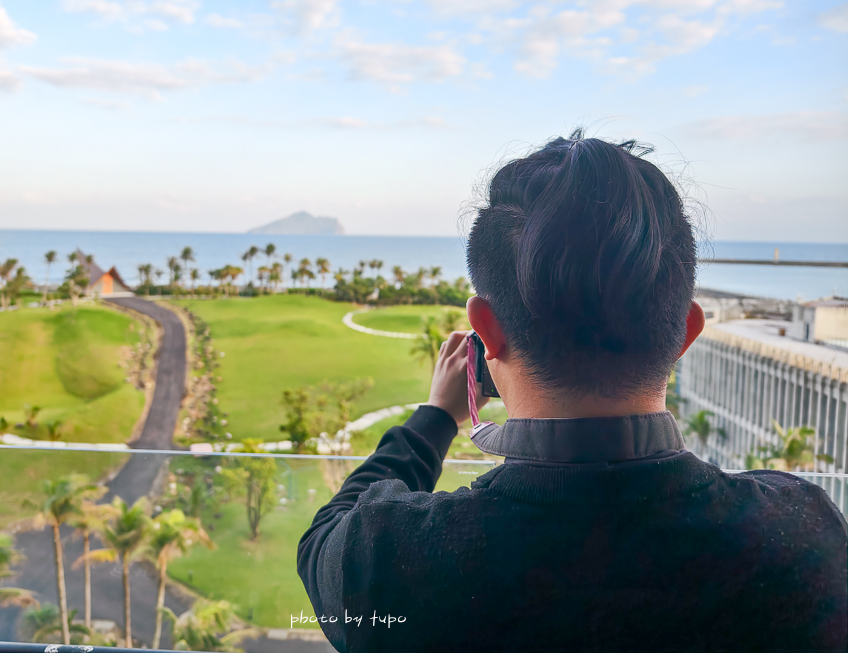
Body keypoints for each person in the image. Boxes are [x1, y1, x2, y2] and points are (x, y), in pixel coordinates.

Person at [297, 130, 847, 652]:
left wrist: (437, 417)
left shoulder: (394, 562)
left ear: (485, 331)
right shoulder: (804, 536)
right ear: (685, 333)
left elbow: (324, 537)